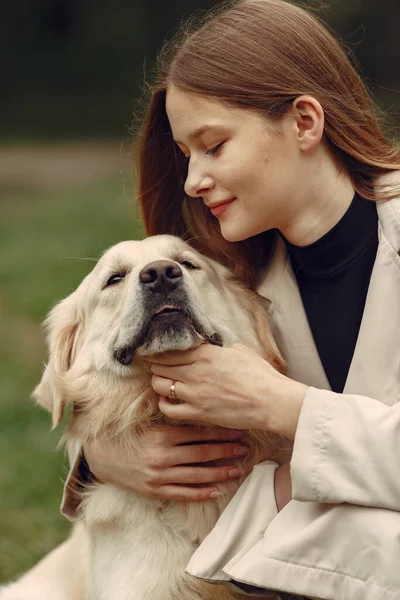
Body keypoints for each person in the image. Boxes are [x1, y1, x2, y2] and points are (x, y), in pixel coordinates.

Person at [63, 0, 400, 598]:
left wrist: (281, 406)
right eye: (186, 155)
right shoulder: (227, 284)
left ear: (304, 122)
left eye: (213, 146)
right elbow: (112, 380)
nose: (193, 180)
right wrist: (99, 457)